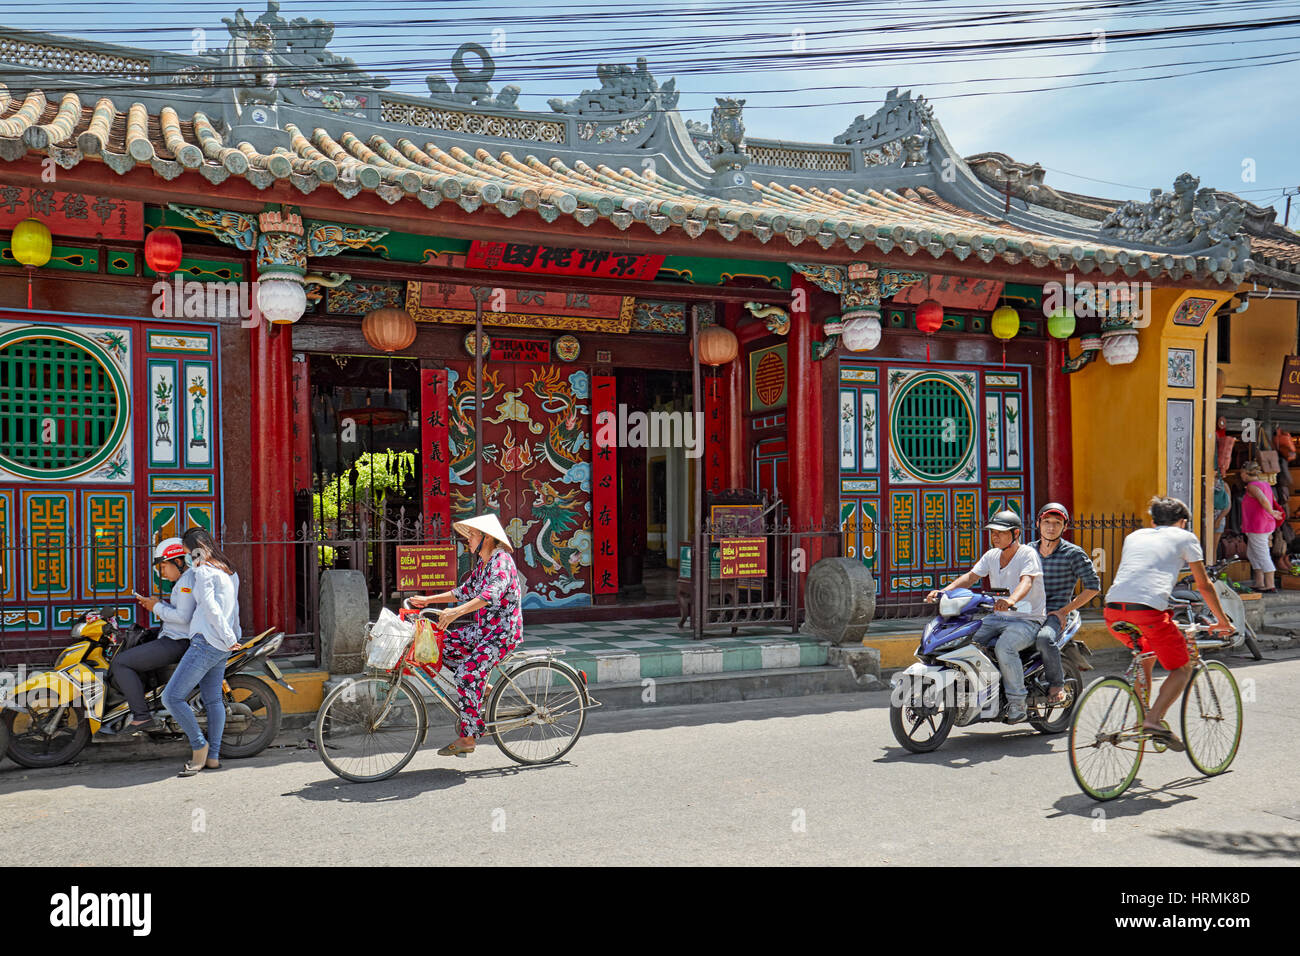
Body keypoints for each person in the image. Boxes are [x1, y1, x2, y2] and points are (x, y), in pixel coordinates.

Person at [1104, 496, 1233, 751]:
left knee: (1146, 656)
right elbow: (1204, 585)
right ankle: (1152, 721)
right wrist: (1222, 619)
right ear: (1183, 521)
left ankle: (1143, 717)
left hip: (1112, 611)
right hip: (1147, 613)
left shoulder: (1135, 536)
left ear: (1153, 521)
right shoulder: (1185, 537)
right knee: (1183, 668)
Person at [408, 513, 523, 757]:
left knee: (467, 674)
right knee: (441, 644)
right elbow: (464, 591)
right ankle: (483, 687)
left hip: (501, 634)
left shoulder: (500, 561)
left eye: (471, 535)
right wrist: (428, 600)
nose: (467, 539)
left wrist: (456, 613)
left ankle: (468, 738)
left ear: (487, 538)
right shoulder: (483, 564)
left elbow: (491, 594)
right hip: (483, 631)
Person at [926, 510, 1045, 723]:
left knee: (1004, 647)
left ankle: (1018, 703)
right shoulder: (991, 555)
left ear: (1016, 533)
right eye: (992, 532)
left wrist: (1011, 600)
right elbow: (970, 577)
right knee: (966, 641)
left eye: (1000, 532)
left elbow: (1026, 582)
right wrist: (944, 592)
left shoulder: (1027, 554)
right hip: (997, 617)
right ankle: (978, 692)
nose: (995, 536)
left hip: (1027, 619)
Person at [161, 527, 241, 777]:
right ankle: (214, 757)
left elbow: (211, 609)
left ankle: (199, 747)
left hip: (206, 642)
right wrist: (231, 637)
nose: (186, 559)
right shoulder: (228, 571)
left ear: (196, 549)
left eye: (186, 553)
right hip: (221, 645)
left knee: (171, 697)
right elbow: (233, 609)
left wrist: (228, 637)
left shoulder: (204, 572)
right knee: (213, 700)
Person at [109, 538, 196, 731]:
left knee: (121, 663)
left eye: (164, 566)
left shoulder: (186, 582)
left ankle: (141, 716)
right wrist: (159, 605)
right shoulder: (183, 581)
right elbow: (180, 612)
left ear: (179, 562)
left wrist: (155, 606)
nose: (162, 572)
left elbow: (183, 617)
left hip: (178, 641)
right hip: (172, 636)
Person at [1031, 503, 1100, 705]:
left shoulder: (1073, 553)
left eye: (1057, 523)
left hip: (1055, 614)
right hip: (1028, 612)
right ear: (1038, 524)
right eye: (1046, 522)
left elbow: (1093, 587)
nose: (1051, 527)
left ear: (1064, 527)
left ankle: (1056, 684)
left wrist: (1063, 611)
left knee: (1044, 639)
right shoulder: (1027, 551)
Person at [1239, 460, 1284, 593]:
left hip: (1258, 525)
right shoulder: (1265, 484)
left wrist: (1271, 512)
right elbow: (1271, 500)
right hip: (1262, 524)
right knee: (1252, 553)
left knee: (1262, 554)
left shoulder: (1252, 486)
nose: (1241, 476)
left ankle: (1269, 585)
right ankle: (1259, 582)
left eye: (1242, 473)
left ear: (1247, 474)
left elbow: (1263, 500)